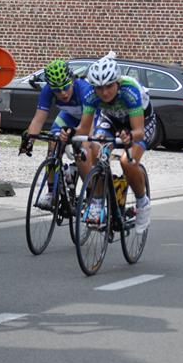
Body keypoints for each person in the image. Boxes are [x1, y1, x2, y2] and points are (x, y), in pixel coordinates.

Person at [67, 51, 154, 233]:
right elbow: (84, 128)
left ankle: (142, 202)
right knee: (96, 149)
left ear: (117, 82)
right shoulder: (91, 94)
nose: (104, 92)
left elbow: (138, 131)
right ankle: (98, 201)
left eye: (109, 86)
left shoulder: (129, 90)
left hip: (140, 123)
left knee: (127, 162)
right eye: (99, 88)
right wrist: (71, 135)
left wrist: (129, 137)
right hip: (112, 120)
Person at [19, 58, 94, 208]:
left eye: (65, 87)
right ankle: (51, 193)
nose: (63, 93)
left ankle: (92, 196)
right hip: (69, 116)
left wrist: (76, 137)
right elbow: (38, 120)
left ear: (72, 80)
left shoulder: (84, 89)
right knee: (52, 142)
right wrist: (29, 140)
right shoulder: (47, 91)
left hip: (90, 118)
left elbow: (87, 127)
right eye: (57, 90)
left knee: (83, 152)